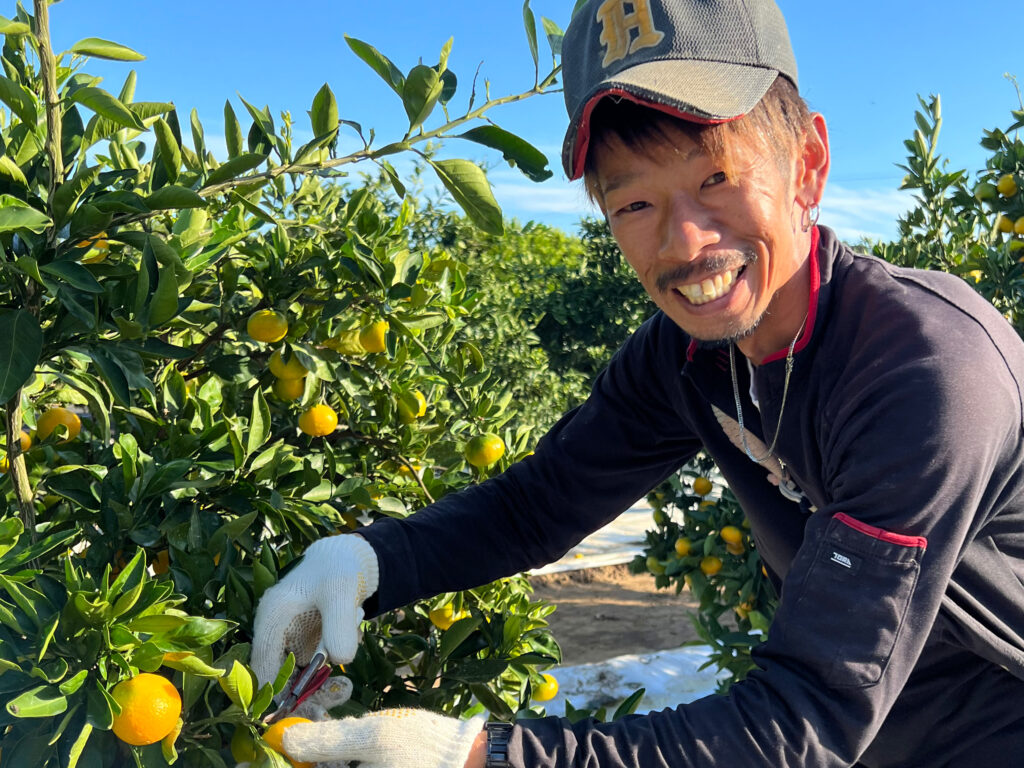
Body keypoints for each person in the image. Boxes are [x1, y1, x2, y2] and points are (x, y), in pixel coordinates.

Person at [250, 0, 1024, 765]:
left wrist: (484, 756)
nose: (685, 241)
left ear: (809, 165)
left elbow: (807, 717)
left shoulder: (927, 374)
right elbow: (537, 505)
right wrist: (369, 564)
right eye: (635, 202)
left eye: (717, 177)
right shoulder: (689, 357)